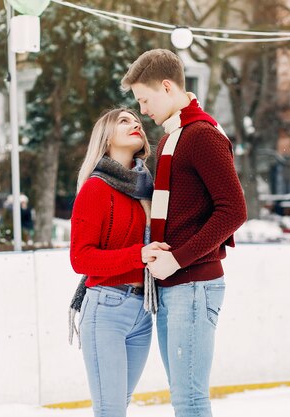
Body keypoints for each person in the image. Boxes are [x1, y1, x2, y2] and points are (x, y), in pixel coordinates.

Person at [121, 49, 248, 417]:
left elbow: (234, 210)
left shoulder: (201, 135)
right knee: (183, 396)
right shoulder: (173, 138)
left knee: (190, 399)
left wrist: (176, 259)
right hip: (176, 285)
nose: (142, 110)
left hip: (192, 283)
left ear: (166, 86)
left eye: (144, 100)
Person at [69, 108, 168, 417]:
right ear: (106, 137)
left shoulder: (147, 190)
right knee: (110, 410)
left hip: (142, 310)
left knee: (118, 406)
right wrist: (138, 254)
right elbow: (80, 258)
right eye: (123, 121)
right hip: (106, 309)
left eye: (136, 120)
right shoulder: (96, 188)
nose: (135, 123)